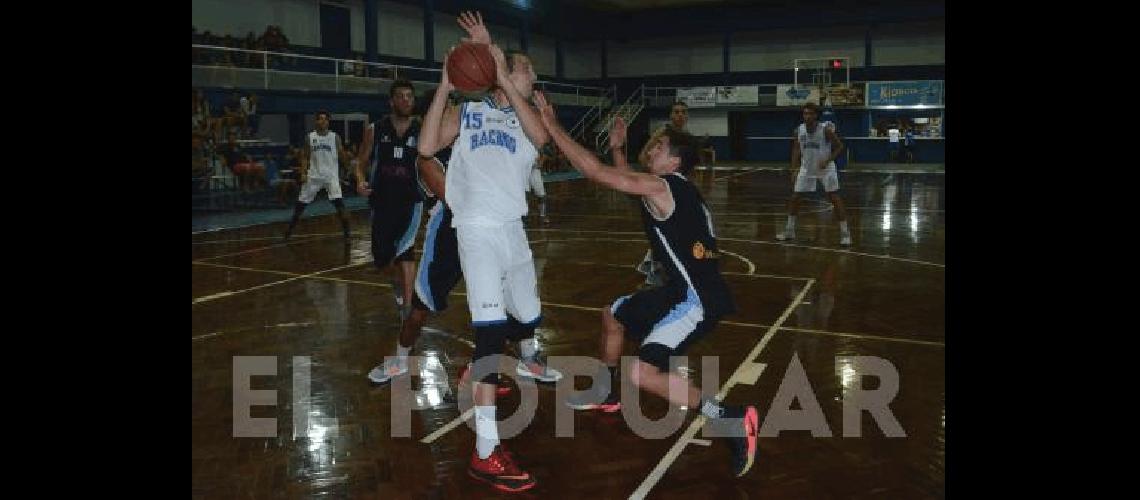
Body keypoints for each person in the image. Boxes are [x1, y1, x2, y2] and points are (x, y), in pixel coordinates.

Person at [534, 90, 758, 478]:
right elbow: (626, 184)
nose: (651, 147)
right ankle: (606, 393)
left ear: (675, 161)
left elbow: (595, 173)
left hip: (696, 301)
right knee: (613, 315)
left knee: (642, 373)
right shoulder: (672, 190)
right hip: (682, 291)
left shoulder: (665, 186)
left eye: (659, 146)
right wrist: (619, 152)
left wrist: (552, 126)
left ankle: (730, 417)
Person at [416, 10, 561, 492]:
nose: (533, 79)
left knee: (530, 318)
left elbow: (543, 139)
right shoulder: (471, 111)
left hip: (512, 231)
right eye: (528, 71)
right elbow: (426, 144)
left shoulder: (527, 118)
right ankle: (485, 453)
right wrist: (445, 83)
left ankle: (491, 360)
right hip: (475, 228)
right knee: (489, 335)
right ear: (508, 70)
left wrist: (496, 64)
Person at [355, 79, 424, 319]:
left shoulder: (422, 129)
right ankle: (398, 285)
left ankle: (407, 308)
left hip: (410, 202)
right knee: (382, 260)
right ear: (391, 101)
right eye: (401, 96)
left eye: (410, 96)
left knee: (406, 252)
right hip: (381, 203)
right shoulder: (376, 129)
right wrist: (360, 179)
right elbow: (361, 163)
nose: (406, 100)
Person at [775, 103, 852, 246]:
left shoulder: (825, 130)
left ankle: (845, 234)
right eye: (805, 113)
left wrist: (827, 160)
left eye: (810, 113)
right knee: (795, 197)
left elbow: (840, 146)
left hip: (825, 168)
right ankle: (789, 231)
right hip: (806, 168)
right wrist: (793, 169)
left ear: (816, 115)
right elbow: (796, 150)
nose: (807, 116)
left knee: (835, 198)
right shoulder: (799, 130)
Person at [283, 110, 352, 241]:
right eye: (320, 119)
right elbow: (305, 156)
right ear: (316, 121)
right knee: (300, 205)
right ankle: (289, 230)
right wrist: (303, 173)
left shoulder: (335, 137)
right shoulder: (310, 137)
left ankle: (347, 233)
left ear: (328, 121)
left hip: (331, 177)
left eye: (325, 119)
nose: (323, 121)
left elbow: (342, 155)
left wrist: (348, 169)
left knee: (340, 205)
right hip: (314, 176)